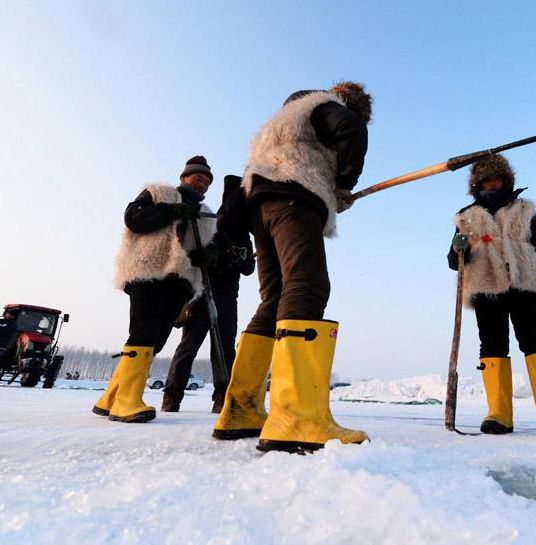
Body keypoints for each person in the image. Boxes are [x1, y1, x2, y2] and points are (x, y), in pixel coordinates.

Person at [213, 81, 371, 453]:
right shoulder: (325, 106)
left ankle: (240, 410)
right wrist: (344, 184)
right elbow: (350, 130)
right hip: (294, 201)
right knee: (308, 287)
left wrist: (330, 187)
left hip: (261, 204)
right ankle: (297, 417)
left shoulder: (279, 127)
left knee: (275, 299)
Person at [448, 153, 536, 439]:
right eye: (485, 181)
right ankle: (499, 415)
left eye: (496, 179)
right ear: (476, 185)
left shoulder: (525, 211)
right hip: (487, 288)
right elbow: (454, 261)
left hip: (526, 284)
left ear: (507, 181)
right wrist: (457, 246)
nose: (491, 185)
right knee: (493, 345)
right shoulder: (466, 217)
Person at [92, 156, 217, 423]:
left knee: (156, 340)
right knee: (143, 331)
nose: (202, 183)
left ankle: (110, 398)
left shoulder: (206, 214)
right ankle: (127, 400)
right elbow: (134, 219)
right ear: (184, 177)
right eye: (198, 178)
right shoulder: (159, 193)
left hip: (180, 282)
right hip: (148, 272)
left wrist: (207, 256)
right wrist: (171, 211)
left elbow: (204, 247)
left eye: (207, 182)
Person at [161, 175, 256, 413]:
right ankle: (171, 398)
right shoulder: (212, 224)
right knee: (188, 347)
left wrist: (241, 258)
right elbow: (197, 257)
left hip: (227, 299)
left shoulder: (244, 235)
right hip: (203, 294)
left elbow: (248, 270)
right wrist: (219, 257)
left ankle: (222, 399)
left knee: (224, 350)